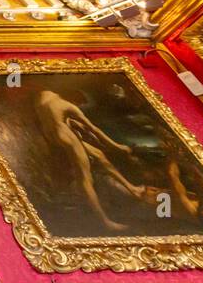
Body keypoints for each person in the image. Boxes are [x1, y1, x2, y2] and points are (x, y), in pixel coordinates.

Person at [33, 88, 147, 232]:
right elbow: (94, 129)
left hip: (53, 135)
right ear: (74, 98)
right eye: (80, 103)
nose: (80, 105)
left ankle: (132, 188)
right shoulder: (69, 106)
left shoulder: (45, 98)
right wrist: (117, 146)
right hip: (65, 136)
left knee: (99, 155)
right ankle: (105, 222)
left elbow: (54, 120)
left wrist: (72, 124)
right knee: (85, 178)